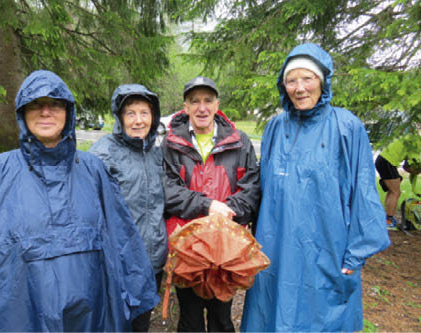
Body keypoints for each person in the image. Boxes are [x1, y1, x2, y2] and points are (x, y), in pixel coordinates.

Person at [0, 70, 158, 332]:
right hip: (18, 315)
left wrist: (137, 295)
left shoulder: (93, 171)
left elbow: (123, 240)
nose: (45, 112)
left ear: (68, 112)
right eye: (36, 105)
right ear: (22, 113)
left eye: (54, 104)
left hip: (89, 316)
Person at [240, 43, 391, 332]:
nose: (299, 88)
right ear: (283, 85)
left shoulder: (346, 127)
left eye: (307, 78)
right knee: (272, 314)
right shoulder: (274, 127)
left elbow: (362, 191)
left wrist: (357, 253)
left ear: (323, 80)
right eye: (291, 80)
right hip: (277, 246)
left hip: (328, 249)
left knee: (322, 318)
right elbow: (263, 189)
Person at [162, 76, 261, 332]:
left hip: (225, 250)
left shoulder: (239, 142)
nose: (201, 107)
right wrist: (208, 206)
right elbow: (168, 190)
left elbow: (251, 189)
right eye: (195, 101)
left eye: (208, 100)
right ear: (185, 107)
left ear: (217, 105)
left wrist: (227, 211)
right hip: (187, 248)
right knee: (190, 320)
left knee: (221, 318)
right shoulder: (171, 144)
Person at [89, 84, 167, 332]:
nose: (138, 120)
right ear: (119, 117)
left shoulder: (156, 154)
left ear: (153, 117)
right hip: (118, 261)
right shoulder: (103, 153)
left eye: (144, 113)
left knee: (141, 322)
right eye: (130, 113)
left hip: (152, 260)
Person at [375, 133, 421, 229]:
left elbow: (406, 167)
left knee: (392, 192)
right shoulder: (417, 142)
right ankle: (388, 221)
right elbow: (411, 167)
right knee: (396, 192)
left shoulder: (412, 138)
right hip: (387, 162)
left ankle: (387, 219)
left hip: (383, 160)